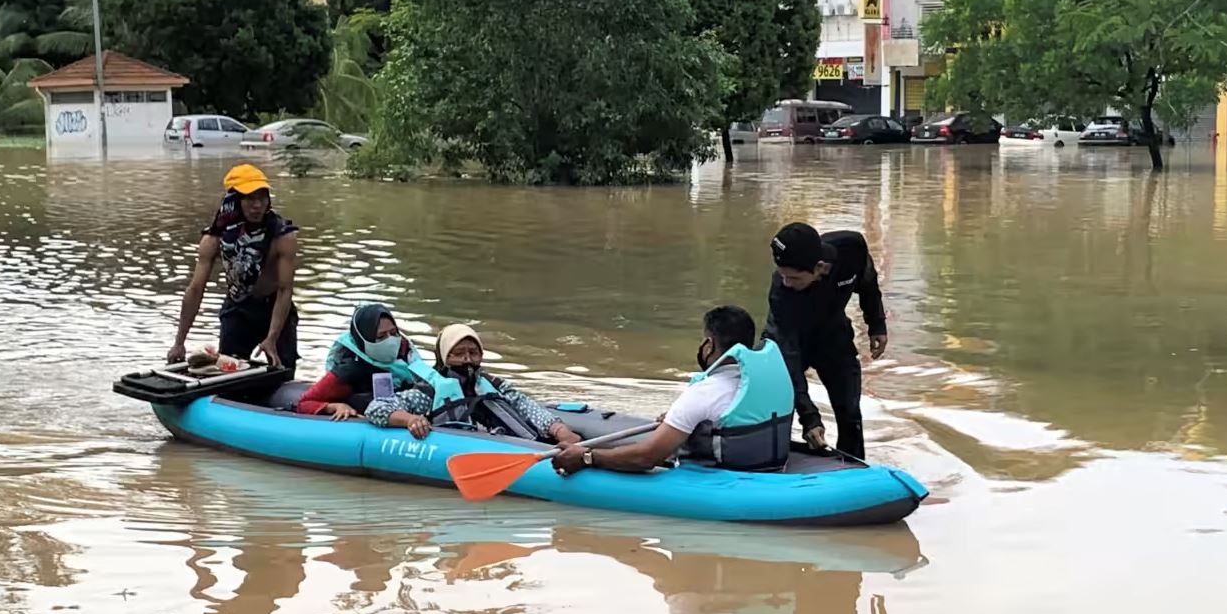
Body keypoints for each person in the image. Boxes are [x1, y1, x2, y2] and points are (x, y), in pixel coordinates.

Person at [551, 305, 794, 476]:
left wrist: (587, 457)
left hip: (718, 478)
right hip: (768, 465)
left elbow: (647, 458)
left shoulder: (703, 393)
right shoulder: (774, 381)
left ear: (709, 345)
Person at [762, 222, 886, 460]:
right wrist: (810, 418)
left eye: (794, 277)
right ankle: (776, 463)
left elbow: (868, 281)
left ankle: (854, 467)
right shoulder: (781, 292)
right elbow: (789, 358)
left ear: (819, 267)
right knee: (780, 404)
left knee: (850, 413)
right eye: (782, 274)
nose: (786, 282)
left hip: (833, 336)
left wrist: (876, 324)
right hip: (788, 341)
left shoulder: (851, 248)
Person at [166, 164, 299, 369]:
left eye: (262, 198)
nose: (257, 205)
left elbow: (285, 289)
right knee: (230, 371)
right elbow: (195, 289)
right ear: (235, 201)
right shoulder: (214, 238)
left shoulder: (282, 235)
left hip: (274, 308)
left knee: (283, 370)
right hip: (239, 308)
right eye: (249, 198)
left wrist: (272, 337)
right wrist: (179, 342)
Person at [365, 324, 582, 444]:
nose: (467, 360)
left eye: (473, 353)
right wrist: (411, 419)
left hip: (515, 443)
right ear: (443, 358)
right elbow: (377, 408)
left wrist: (559, 429)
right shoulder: (429, 393)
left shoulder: (492, 384)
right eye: (458, 354)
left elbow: (526, 406)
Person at [295, 303, 424, 419]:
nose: (390, 340)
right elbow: (304, 403)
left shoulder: (407, 358)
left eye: (394, 333)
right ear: (364, 339)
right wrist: (335, 407)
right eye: (381, 336)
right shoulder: (348, 372)